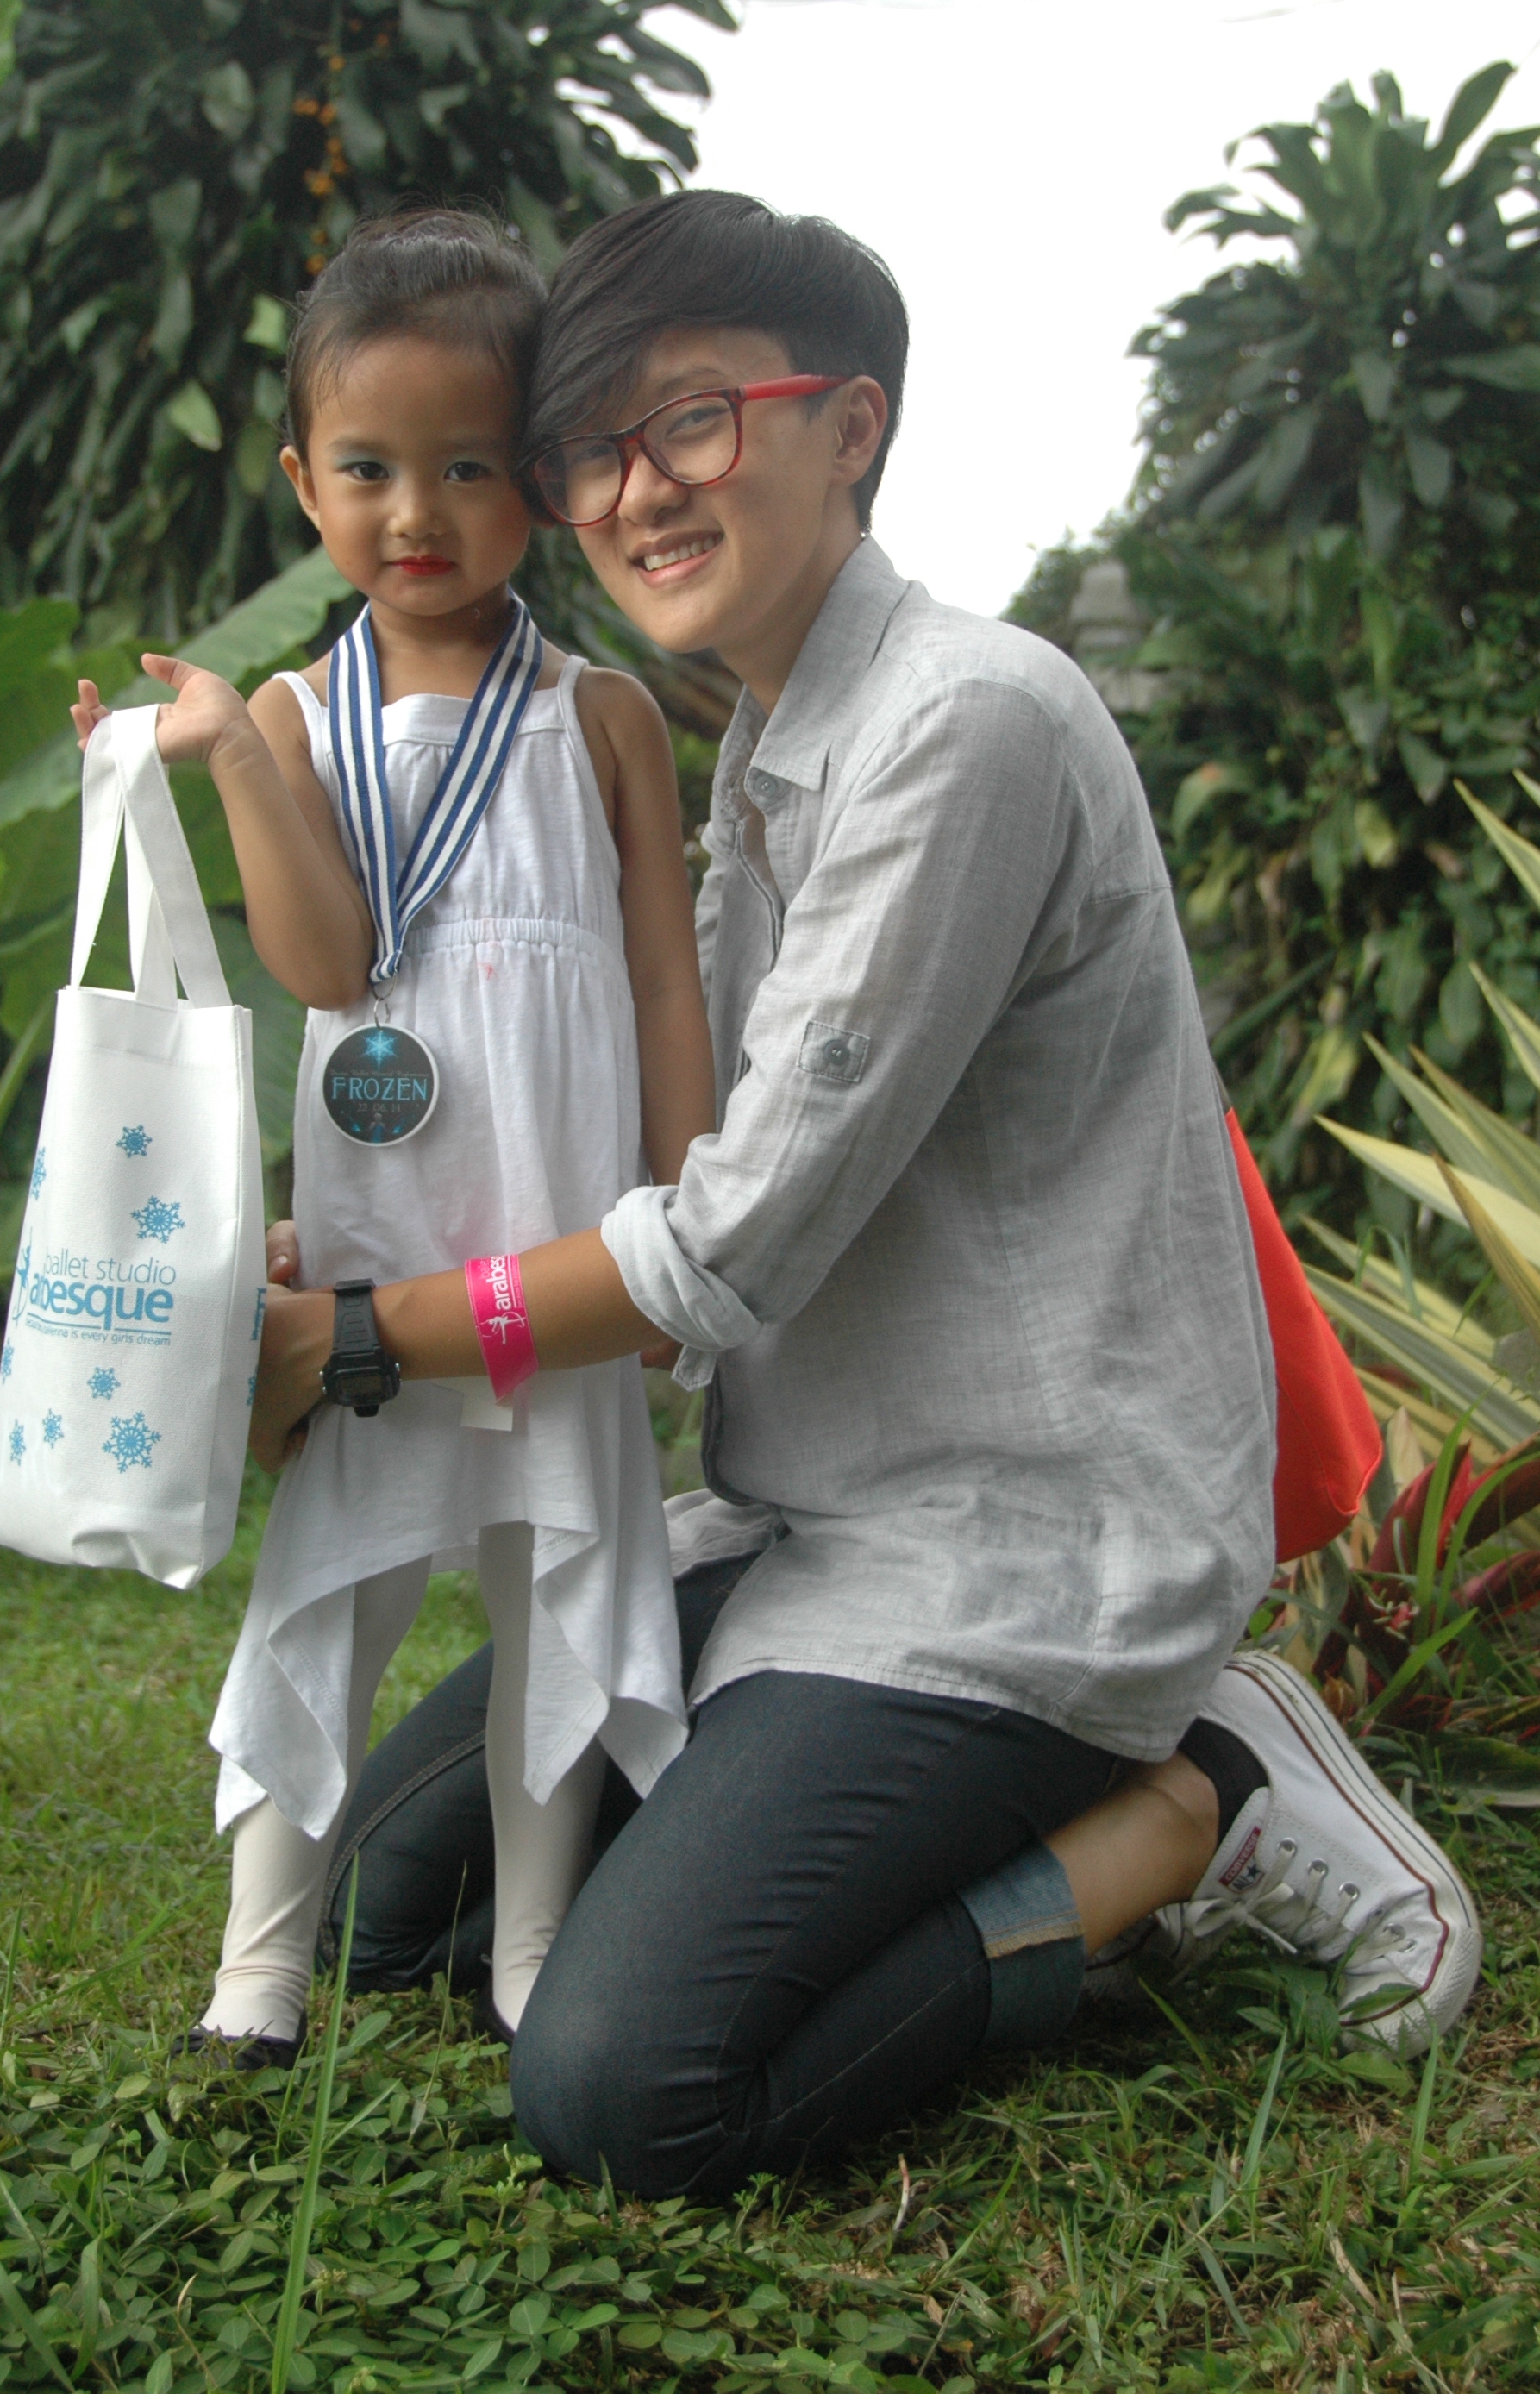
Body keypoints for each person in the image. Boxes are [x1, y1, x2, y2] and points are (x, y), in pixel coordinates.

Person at [248, 192, 1482, 2197]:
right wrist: (358, 1248)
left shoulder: (962, 726)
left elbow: (722, 1244)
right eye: (591, 448)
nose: (635, 490)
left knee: (621, 2083)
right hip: (796, 1518)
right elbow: (636, 1164)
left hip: (1016, 1548)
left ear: (852, 427)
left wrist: (365, 1343)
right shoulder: (751, 762)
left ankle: (1191, 1807)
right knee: (388, 1908)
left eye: (694, 421)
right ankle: (868, 1806)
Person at [72, 209, 715, 2053]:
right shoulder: (293, 713)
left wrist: (678, 1215)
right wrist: (236, 757)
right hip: (374, 1259)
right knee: (331, 1597)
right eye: (366, 468)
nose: (415, 512)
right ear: (302, 480)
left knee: (557, 1590)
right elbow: (327, 962)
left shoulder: (601, 717)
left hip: (565, 1250)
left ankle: (535, 1958)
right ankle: (257, 1970)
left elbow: (664, 978)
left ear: (544, 479)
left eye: (467, 466)